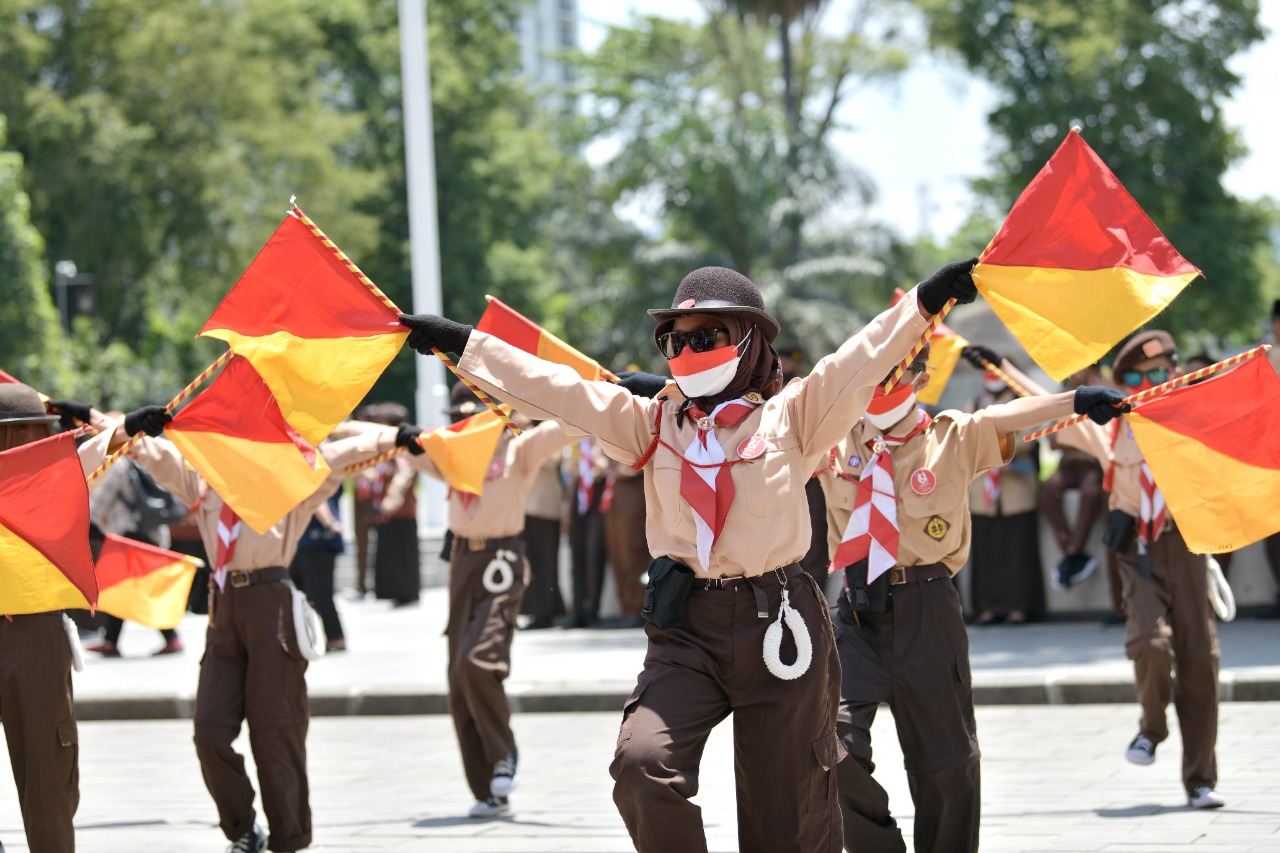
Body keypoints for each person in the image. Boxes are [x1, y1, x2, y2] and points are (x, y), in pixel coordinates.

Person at [399, 258, 980, 852]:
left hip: (778, 624)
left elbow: (862, 358)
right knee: (641, 765)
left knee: (784, 819)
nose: (686, 349)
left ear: (750, 341)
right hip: (687, 629)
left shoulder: (795, 417)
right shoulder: (649, 423)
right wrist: (463, 345)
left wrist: (926, 300)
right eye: (673, 339)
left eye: (706, 336)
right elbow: (558, 390)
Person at [817, 344, 1127, 853]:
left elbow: (1006, 414)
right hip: (857, 613)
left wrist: (1075, 400)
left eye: (891, 377)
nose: (876, 389)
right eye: (868, 377)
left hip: (928, 609)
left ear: (919, 380)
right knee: (829, 744)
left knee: (948, 765)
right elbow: (774, 417)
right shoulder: (836, 434)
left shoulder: (949, 437)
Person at [105, 405, 397, 852]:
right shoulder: (204, 480)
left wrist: (395, 439)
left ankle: (289, 838)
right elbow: (151, 455)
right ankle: (243, 828)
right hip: (224, 608)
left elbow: (336, 459)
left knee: (275, 730)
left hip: (269, 602)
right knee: (209, 730)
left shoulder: (286, 483)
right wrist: (112, 422)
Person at [1058, 330, 1226, 809]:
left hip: (1187, 544)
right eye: (1136, 375)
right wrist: (1076, 384)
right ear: (1121, 380)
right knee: (1149, 644)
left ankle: (1200, 781)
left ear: (1172, 372)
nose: (1148, 381)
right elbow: (1054, 413)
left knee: (1199, 660)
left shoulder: (1189, 414)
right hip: (1137, 549)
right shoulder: (1111, 425)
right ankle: (1151, 728)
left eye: (1158, 372)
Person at [393, 382, 575, 819]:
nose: (468, 424)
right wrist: (405, 437)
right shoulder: (453, 457)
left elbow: (570, 426)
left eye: (477, 416)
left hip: (502, 560)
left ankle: (504, 751)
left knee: (478, 660)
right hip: (463, 564)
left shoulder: (520, 450)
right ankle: (488, 787)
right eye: (461, 417)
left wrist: (607, 392)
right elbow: (406, 448)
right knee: (458, 677)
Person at [0, 390, 117, 852]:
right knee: (50, 772)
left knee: (49, 776)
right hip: (35, 637)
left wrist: (92, 417)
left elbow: (111, 440)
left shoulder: (50, 477)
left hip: (35, 635)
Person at [963, 352, 1044, 625]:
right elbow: (964, 438)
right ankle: (986, 607)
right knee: (985, 551)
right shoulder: (973, 402)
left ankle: (1019, 606)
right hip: (982, 491)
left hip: (1015, 487)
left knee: (1017, 550)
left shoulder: (1021, 402)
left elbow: (1028, 439)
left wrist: (995, 448)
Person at [84, 445, 186, 657]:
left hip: (128, 537)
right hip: (151, 537)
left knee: (123, 587)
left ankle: (171, 637)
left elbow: (97, 507)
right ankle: (112, 641)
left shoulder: (117, 465)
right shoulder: (144, 462)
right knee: (128, 588)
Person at [779, 342, 833, 595]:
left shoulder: (809, 393)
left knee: (812, 546)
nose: (785, 366)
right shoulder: (767, 392)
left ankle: (812, 601)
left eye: (789, 361)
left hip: (812, 478)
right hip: (779, 479)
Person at [369, 402, 421, 608]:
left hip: (400, 510)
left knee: (402, 553)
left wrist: (389, 502)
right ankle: (395, 591)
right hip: (391, 510)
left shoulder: (404, 447)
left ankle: (405, 592)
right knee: (391, 553)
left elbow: (404, 475)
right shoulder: (391, 447)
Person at [288, 490, 346, 652]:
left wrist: (329, 523)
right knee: (302, 592)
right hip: (310, 541)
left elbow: (315, 496)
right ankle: (303, 638)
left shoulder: (311, 469)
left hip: (316, 541)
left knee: (319, 593)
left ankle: (335, 637)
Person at [566, 436, 610, 628]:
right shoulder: (576, 442)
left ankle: (593, 611)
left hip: (599, 493)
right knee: (576, 556)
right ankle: (577, 612)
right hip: (579, 495)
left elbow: (607, 469)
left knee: (594, 554)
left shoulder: (605, 439)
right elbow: (568, 470)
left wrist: (596, 458)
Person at [519, 450, 566, 629]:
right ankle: (534, 610)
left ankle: (546, 612)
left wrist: (523, 432)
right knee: (530, 562)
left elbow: (551, 459)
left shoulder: (547, 429)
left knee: (546, 562)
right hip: (524, 507)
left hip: (545, 508)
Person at [602, 455, 648, 627]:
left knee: (633, 552)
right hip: (615, 493)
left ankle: (637, 609)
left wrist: (610, 469)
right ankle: (626, 608)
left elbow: (629, 469)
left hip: (634, 491)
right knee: (618, 554)